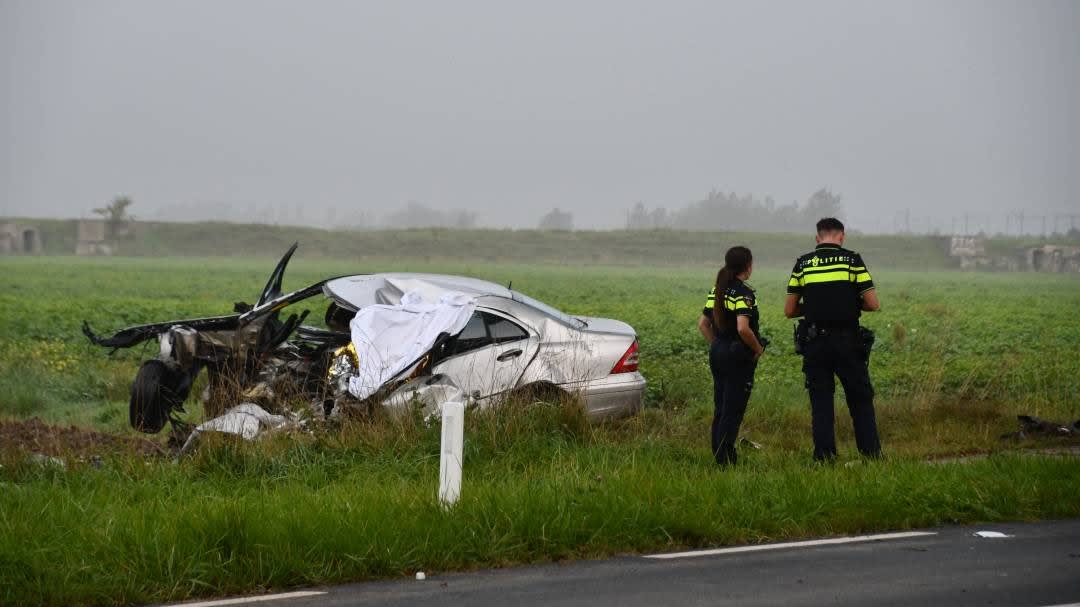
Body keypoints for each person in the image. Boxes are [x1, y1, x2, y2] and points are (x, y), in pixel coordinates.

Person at [784, 218, 882, 461]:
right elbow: (873, 303)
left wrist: (817, 307)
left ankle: (825, 457)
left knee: (821, 401)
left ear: (818, 238)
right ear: (842, 236)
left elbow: (789, 310)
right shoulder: (852, 260)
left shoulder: (803, 263)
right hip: (848, 341)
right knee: (860, 399)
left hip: (815, 342)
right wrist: (845, 304)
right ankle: (871, 456)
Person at [697, 246, 766, 466]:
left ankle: (718, 454)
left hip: (718, 352)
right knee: (733, 409)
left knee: (720, 405)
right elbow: (743, 328)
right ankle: (726, 460)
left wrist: (717, 344)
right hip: (737, 356)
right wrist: (757, 349)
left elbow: (703, 324)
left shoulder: (717, 289)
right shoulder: (743, 293)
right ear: (748, 266)